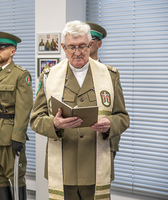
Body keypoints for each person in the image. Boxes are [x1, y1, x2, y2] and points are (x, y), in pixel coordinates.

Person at [30, 20, 129, 200]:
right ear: (63, 47)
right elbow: (35, 119)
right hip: (62, 166)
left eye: (82, 46)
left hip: (95, 165)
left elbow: (123, 118)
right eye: (71, 47)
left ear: (90, 44)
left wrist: (110, 124)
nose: (77, 52)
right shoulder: (48, 76)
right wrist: (54, 123)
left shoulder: (109, 75)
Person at [0, 31, 33, 200]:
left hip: (8, 134)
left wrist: (18, 136)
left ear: (12, 51)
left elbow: (24, 108)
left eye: (2, 48)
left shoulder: (20, 75)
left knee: (15, 176)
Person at [86, 22, 120, 159]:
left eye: (90, 40)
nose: (86, 43)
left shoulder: (109, 75)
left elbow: (120, 115)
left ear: (99, 44)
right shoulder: (63, 74)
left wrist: (110, 127)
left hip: (102, 141)